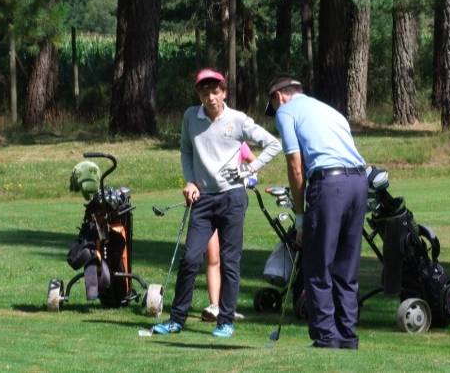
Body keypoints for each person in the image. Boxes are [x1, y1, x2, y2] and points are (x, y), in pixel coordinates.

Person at [153, 69, 281, 338]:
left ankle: (225, 321)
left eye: (214, 91)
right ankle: (177, 319)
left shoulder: (238, 120)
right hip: (203, 198)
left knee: (230, 261)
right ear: (198, 93)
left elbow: (272, 144)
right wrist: (190, 181)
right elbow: (187, 150)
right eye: (204, 92)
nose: (209, 97)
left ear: (224, 92)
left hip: (233, 198)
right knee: (190, 259)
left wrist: (250, 170)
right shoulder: (191, 116)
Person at [264, 75, 367, 350]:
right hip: (359, 183)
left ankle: (326, 337)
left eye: (273, 106)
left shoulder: (285, 112)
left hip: (330, 185)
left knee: (318, 264)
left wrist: (300, 218)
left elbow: (296, 167)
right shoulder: (329, 110)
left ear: (279, 97)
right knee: (346, 266)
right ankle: (348, 336)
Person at [201, 142, 256, 322]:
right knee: (213, 256)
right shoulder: (206, 140)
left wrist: (247, 176)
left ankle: (227, 308)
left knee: (229, 258)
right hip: (208, 202)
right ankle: (214, 306)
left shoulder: (239, 144)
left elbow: (255, 163)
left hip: (231, 203)